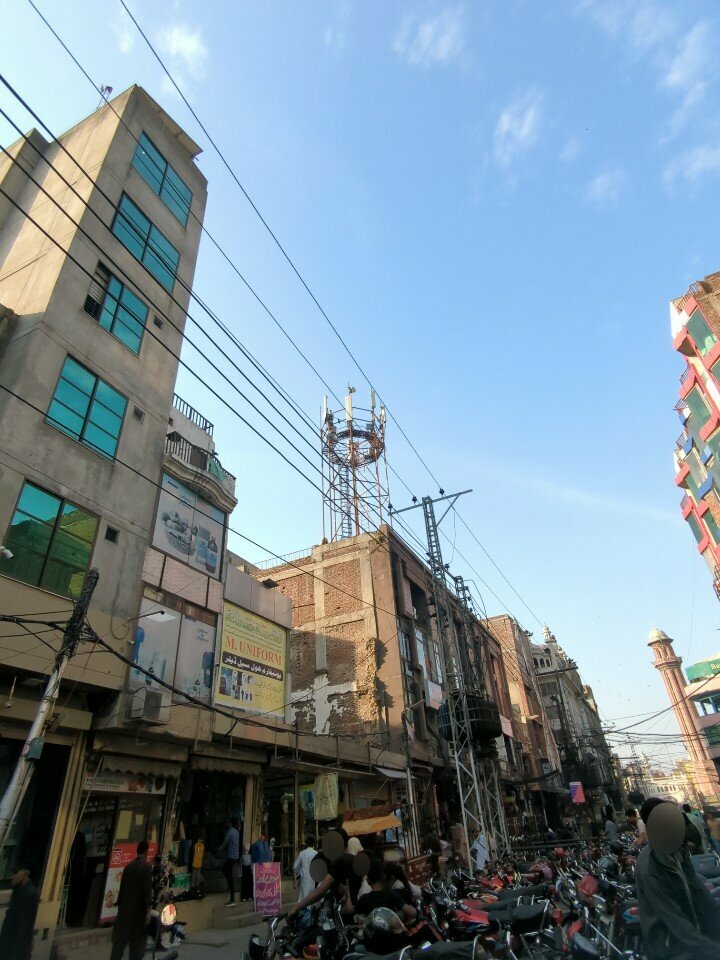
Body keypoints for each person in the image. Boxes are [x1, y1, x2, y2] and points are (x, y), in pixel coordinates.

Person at [635, 797, 720, 960]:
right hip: (672, 949)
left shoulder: (678, 851)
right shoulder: (650, 867)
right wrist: (712, 948)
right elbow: (676, 923)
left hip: (697, 937)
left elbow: (699, 893)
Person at [288, 828, 362, 919]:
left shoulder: (339, 862)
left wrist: (296, 907)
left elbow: (321, 891)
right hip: (354, 911)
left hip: (340, 916)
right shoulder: (354, 860)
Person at [354, 858, 416, 955]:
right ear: (383, 877)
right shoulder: (391, 894)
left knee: (356, 948)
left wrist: (346, 893)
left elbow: (353, 914)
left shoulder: (364, 898)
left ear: (368, 881)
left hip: (372, 947)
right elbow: (412, 913)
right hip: (393, 945)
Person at [110, 840, 152, 960]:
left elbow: (122, 889)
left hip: (124, 913)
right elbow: (146, 890)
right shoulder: (146, 867)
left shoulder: (128, 867)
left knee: (118, 949)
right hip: (138, 916)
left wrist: (120, 905)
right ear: (146, 851)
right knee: (136, 951)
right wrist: (148, 910)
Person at [0, 864, 38, 960]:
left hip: (15, 950)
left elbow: (24, 929)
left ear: (26, 873)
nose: (12, 876)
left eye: (15, 873)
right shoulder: (18, 889)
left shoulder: (30, 893)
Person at [216, 817, 241, 906]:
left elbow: (224, 843)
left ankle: (232, 897)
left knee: (226, 872)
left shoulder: (230, 832)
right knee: (228, 873)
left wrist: (218, 851)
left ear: (230, 823)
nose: (225, 823)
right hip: (235, 856)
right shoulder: (237, 832)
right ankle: (231, 888)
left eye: (227, 822)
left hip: (231, 856)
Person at [293, 836, 317, 901]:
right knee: (313, 900)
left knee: (304, 901)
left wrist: (299, 874)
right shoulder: (316, 854)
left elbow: (295, 866)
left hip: (305, 880)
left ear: (306, 844)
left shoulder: (302, 853)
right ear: (314, 844)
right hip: (315, 881)